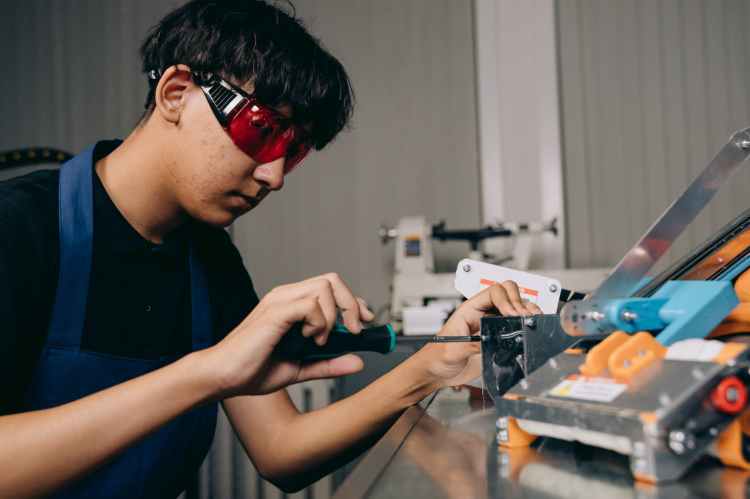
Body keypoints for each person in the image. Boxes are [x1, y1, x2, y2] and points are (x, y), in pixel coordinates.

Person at [0, 1, 541, 497]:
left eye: (294, 152)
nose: (274, 176)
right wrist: (207, 372)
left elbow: (280, 449)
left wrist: (432, 365)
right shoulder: (20, 226)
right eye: (261, 131)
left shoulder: (208, 260)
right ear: (176, 93)